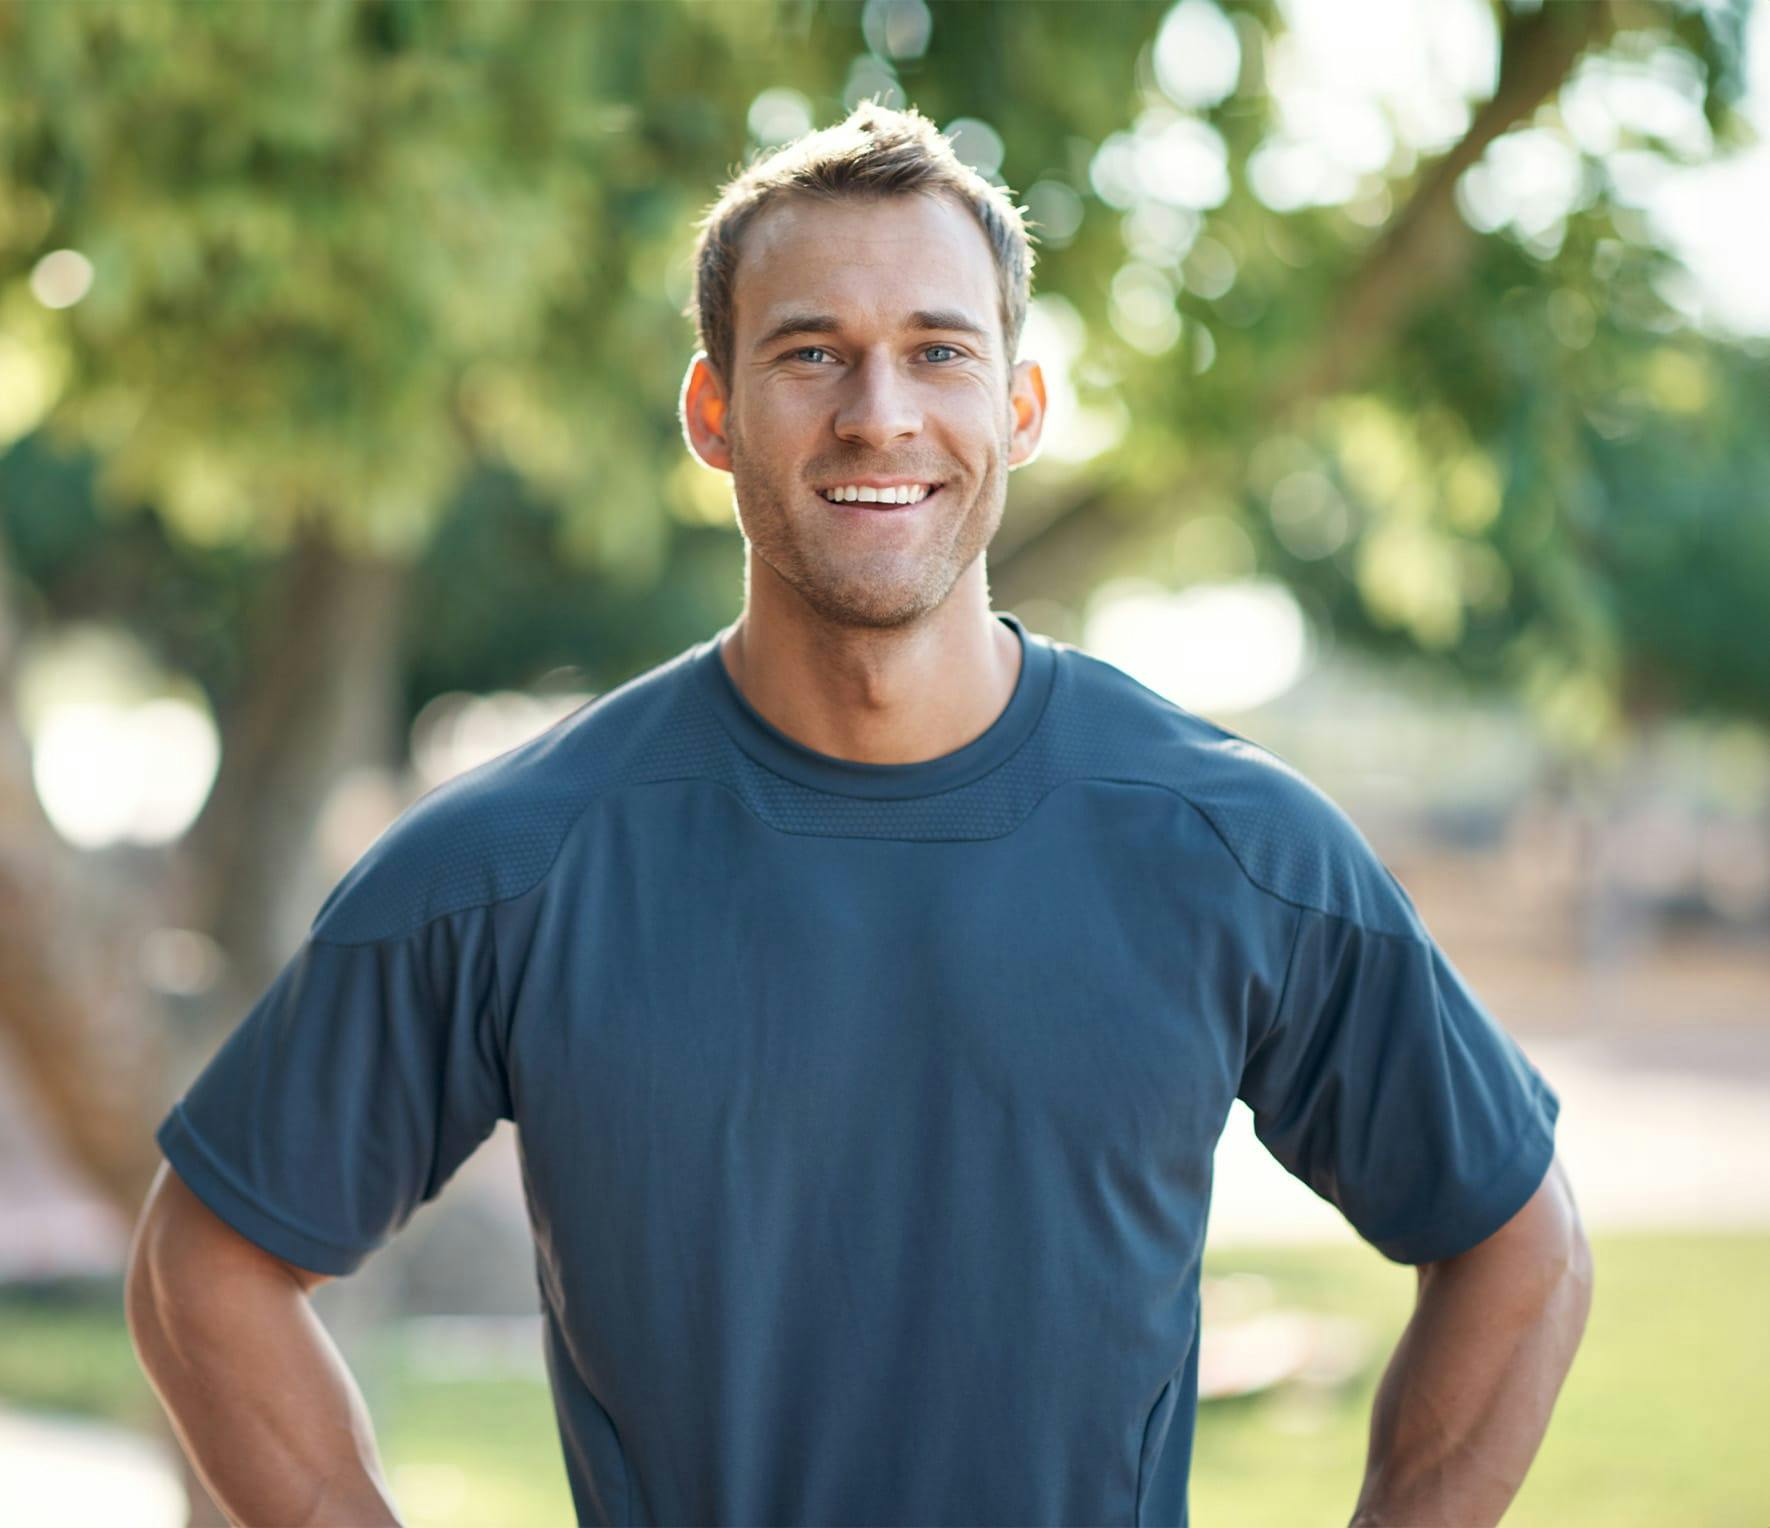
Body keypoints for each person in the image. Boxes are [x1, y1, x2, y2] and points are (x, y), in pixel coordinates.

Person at [126, 101, 1591, 1528]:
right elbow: (205, 1267)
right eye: (809, 352)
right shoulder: (516, 864)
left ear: (1018, 407)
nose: (877, 413)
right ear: (714, 411)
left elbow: (1517, 1247)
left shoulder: (1229, 849)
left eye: (937, 351)